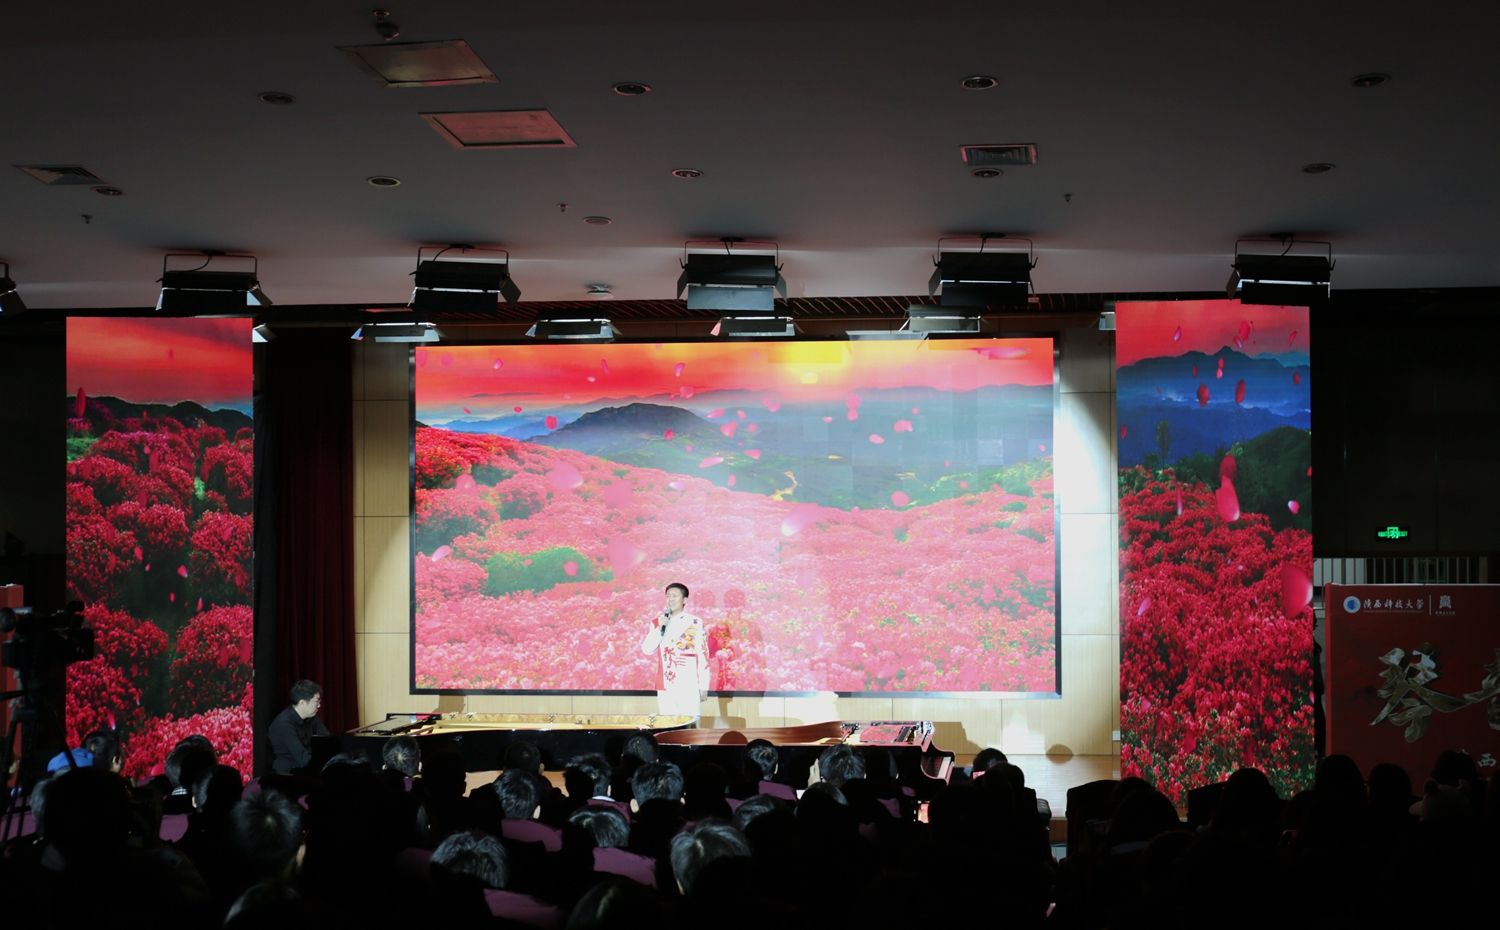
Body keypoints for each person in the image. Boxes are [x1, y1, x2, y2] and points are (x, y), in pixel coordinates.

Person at [638, 582, 710, 719]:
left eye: (674, 596)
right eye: (668, 596)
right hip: (666, 685)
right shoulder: (657, 622)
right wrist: (659, 629)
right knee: (668, 725)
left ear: (684, 600)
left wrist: (703, 686)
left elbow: (703, 656)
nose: (670, 599)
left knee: (690, 725)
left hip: (689, 685)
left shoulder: (695, 622)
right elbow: (647, 649)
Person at [267, 680, 329, 775]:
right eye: (316, 702)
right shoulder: (283, 724)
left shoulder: (311, 717)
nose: (319, 705)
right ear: (302, 703)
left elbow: (327, 740)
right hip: (287, 774)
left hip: (306, 769)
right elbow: (302, 758)